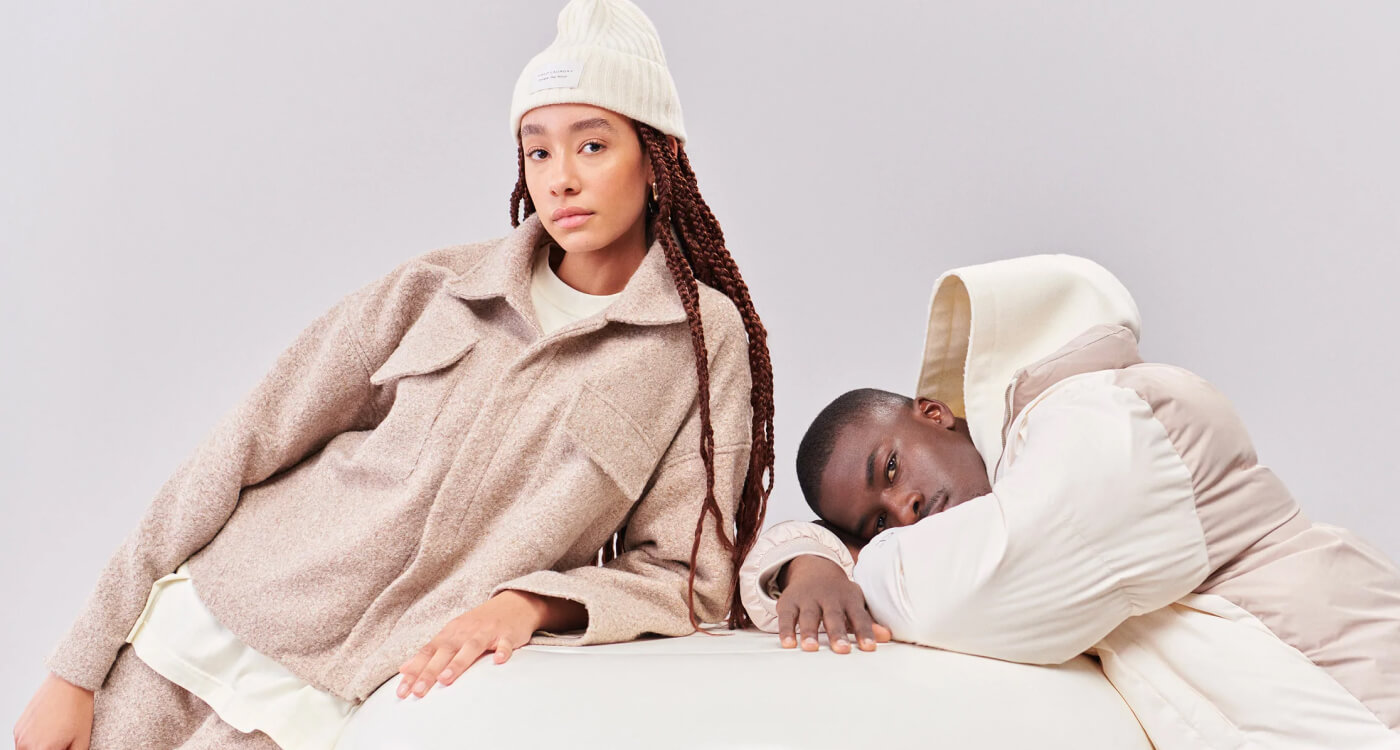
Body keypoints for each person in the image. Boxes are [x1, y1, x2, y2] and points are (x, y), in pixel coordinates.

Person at [14, 1, 775, 748]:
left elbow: (686, 578)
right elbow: (244, 444)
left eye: (593, 145)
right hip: (196, 632)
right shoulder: (438, 288)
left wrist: (528, 604)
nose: (561, 179)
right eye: (538, 152)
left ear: (657, 160)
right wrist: (75, 669)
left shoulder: (697, 345)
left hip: (346, 699)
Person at [739, 255, 1400, 748]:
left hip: (1358, 690)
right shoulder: (1028, 472)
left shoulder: (1106, 412)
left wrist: (853, 562)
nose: (905, 508)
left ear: (935, 413)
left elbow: (980, 586)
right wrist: (810, 564)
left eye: (891, 467)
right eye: (878, 522)